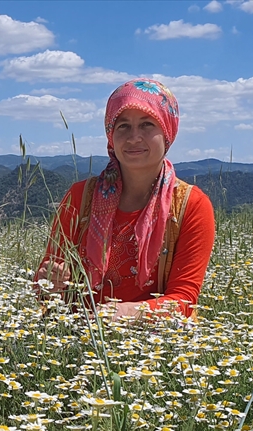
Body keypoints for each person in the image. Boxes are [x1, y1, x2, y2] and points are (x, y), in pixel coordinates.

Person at [34, 79, 214, 321]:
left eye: (147, 124)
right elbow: (45, 285)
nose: (134, 137)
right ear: (111, 134)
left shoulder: (191, 205)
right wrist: (49, 282)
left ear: (167, 131)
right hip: (80, 335)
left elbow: (184, 300)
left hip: (156, 338)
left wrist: (126, 314)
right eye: (123, 126)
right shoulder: (80, 197)